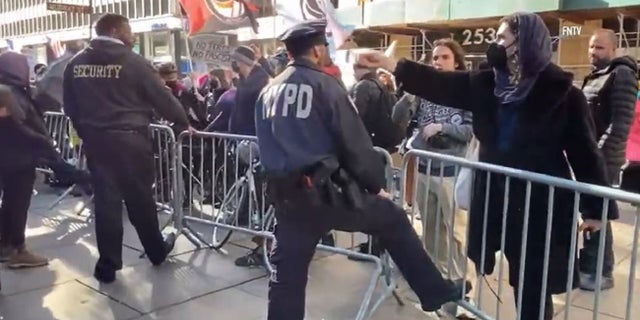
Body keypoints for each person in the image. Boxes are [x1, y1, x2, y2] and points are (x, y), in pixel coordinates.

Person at [356, 12, 617, 320]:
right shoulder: (487, 84)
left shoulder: (562, 93)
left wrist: (595, 209)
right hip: (495, 198)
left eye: (502, 38)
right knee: (507, 268)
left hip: (540, 205)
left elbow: (584, 152)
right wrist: (390, 64)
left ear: (524, 44)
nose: (495, 44)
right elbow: (439, 83)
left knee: (532, 280)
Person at [255, 19, 466, 320]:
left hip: (286, 197)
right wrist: (374, 184)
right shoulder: (325, 86)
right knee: (391, 217)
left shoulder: (268, 91)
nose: (327, 51)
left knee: (287, 278)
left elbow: (266, 144)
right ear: (316, 50)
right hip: (325, 195)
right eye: (325, 47)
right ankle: (433, 291)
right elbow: (354, 143)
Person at [62, 13, 191, 283]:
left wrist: (87, 131)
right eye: (129, 31)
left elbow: (70, 106)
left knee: (106, 203)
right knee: (140, 199)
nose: (132, 37)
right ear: (115, 30)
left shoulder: (75, 64)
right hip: (131, 140)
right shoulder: (135, 63)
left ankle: (107, 266)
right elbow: (162, 98)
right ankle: (156, 251)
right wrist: (182, 120)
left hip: (97, 141)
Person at [392, 37, 476, 319]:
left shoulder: (465, 90)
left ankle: (461, 292)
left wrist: (443, 126)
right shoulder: (423, 92)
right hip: (425, 170)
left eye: (444, 58)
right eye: (435, 58)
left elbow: (468, 131)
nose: (438, 62)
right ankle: (438, 290)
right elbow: (397, 118)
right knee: (430, 234)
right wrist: (407, 95)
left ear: (457, 62)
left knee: (454, 235)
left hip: (452, 173)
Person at [579, 28, 639, 291]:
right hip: (589, 156)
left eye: (600, 48)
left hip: (603, 160)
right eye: (591, 47)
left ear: (613, 50)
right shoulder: (594, 76)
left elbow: (620, 124)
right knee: (593, 211)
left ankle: (600, 272)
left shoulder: (622, 74)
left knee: (597, 211)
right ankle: (594, 267)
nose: (593, 52)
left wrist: (597, 157)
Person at [0, 52, 55, 269]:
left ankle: (6, 244)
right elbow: (19, 127)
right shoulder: (9, 94)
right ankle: (18, 249)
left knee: (10, 202)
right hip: (18, 158)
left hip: (9, 157)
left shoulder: (9, 90)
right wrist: (44, 143)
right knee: (18, 202)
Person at [228, 45, 270, 135]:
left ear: (242, 61)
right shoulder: (242, 80)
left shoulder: (260, 80)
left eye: (235, 60)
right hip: (241, 134)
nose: (233, 63)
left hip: (253, 134)